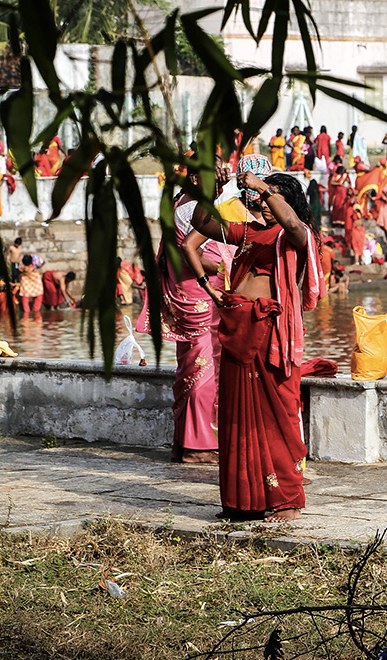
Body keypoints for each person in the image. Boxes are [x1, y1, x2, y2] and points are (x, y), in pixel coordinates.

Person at [190, 157, 320, 522]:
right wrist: (212, 191)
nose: (262, 202)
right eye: (262, 196)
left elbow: (292, 222)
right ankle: (242, 500)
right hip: (239, 326)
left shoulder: (294, 235)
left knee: (275, 416)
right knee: (237, 416)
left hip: (269, 332)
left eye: (271, 196)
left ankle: (286, 500)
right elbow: (201, 224)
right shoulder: (249, 233)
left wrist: (262, 186)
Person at [143, 165, 233, 464]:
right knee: (202, 371)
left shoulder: (183, 203)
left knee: (193, 367)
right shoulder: (190, 208)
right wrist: (225, 267)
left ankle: (186, 443)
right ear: (194, 178)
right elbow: (193, 252)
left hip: (194, 297)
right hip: (199, 297)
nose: (220, 176)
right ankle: (197, 447)